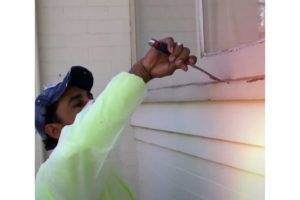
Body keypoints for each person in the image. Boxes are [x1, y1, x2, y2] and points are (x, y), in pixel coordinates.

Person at [35, 37, 197, 200]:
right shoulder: (56, 172)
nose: (91, 103)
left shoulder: (95, 167)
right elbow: (81, 143)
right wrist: (144, 70)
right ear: (54, 130)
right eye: (78, 103)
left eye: (90, 97)